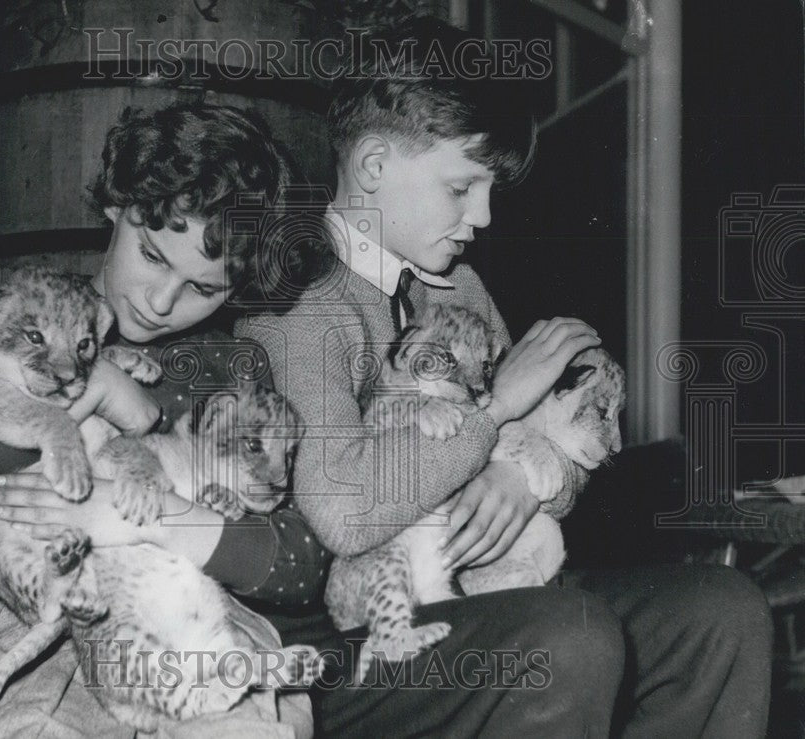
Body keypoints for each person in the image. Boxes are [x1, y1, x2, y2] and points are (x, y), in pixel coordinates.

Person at [234, 18, 774, 738]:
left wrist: (522, 480)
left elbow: (562, 456)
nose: (483, 216)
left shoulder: (460, 287)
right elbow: (342, 512)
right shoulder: (299, 299)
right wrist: (493, 414)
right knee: (568, 634)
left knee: (723, 610)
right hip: (358, 635)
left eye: (488, 190)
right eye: (462, 187)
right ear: (372, 166)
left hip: (487, 591)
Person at [0, 103, 333, 738]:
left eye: (203, 288)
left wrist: (153, 511)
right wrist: (87, 390)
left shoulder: (231, 369)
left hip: (196, 617)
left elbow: (300, 564)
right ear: (116, 206)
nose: (161, 302)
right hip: (37, 612)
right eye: (153, 255)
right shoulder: (8, 313)